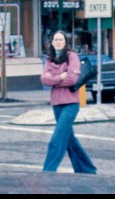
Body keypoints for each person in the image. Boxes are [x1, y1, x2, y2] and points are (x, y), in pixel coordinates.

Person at [41, 30, 97, 174]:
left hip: (70, 103)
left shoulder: (72, 57)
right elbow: (44, 80)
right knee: (69, 139)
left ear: (65, 42)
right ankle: (87, 169)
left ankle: (48, 170)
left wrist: (53, 78)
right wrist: (60, 77)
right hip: (56, 104)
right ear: (52, 43)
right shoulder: (49, 58)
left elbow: (72, 79)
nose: (58, 42)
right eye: (55, 39)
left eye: (61, 39)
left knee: (57, 138)